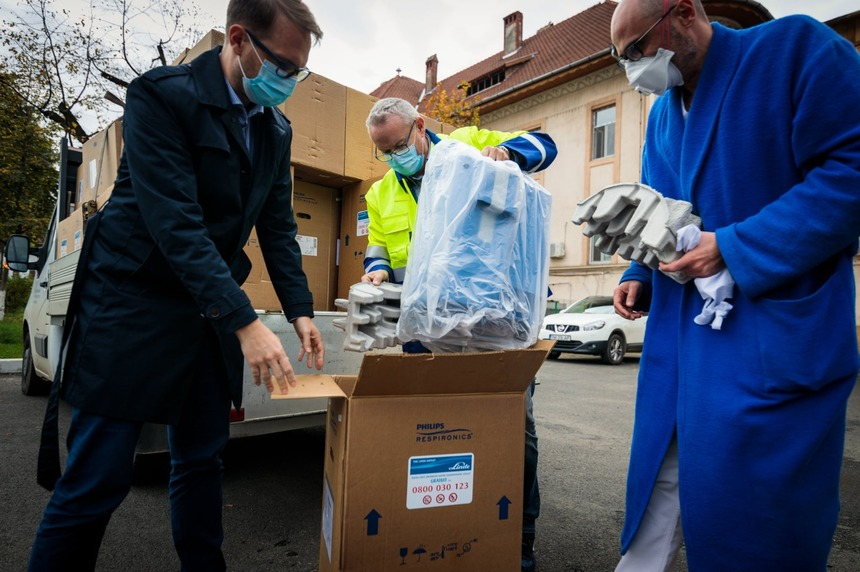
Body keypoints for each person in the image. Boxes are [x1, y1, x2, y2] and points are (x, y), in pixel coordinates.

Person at [28, 1, 325, 570]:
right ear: (238, 39)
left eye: (298, 71)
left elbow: (279, 226)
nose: (288, 81)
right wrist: (244, 321)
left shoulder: (275, 129)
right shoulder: (162, 97)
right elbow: (176, 225)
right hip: (134, 303)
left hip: (205, 313)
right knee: (99, 477)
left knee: (200, 462)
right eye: (282, 66)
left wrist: (300, 311)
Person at [609, 0, 860, 570]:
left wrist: (736, 247)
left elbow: (852, 169)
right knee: (657, 497)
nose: (632, 70)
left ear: (683, 13)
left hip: (771, 339)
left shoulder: (795, 50)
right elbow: (656, 210)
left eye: (637, 50)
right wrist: (639, 272)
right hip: (680, 350)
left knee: (759, 526)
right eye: (621, 59)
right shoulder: (663, 116)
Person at [362, 97, 557, 572]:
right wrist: (377, 271)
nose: (393, 158)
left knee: (514, 426)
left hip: (497, 323)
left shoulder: (467, 146)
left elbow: (545, 145)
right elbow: (377, 244)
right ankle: (447, 528)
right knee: (433, 428)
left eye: (398, 146)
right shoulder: (379, 193)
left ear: (420, 126)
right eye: (383, 152)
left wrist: (509, 154)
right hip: (425, 328)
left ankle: (519, 536)